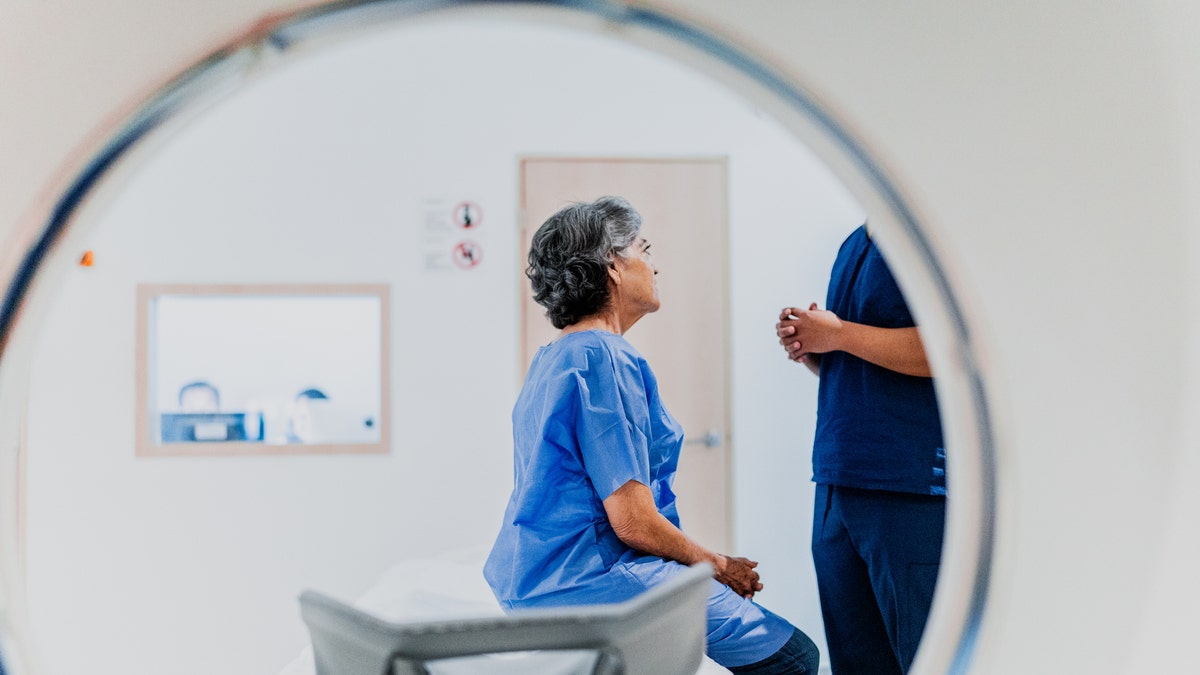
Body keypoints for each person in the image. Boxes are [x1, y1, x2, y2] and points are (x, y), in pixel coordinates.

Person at [485, 196, 819, 674]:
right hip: (595, 576)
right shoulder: (603, 357)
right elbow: (633, 522)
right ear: (612, 266)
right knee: (795, 659)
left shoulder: (554, 357)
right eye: (645, 249)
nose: (654, 265)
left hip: (535, 579)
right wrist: (717, 565)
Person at [775, 223, 945, 674]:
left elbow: (948, 351)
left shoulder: (930, 230)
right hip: (836, 482)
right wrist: (818, 352)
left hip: (906, 489)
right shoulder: (854, 242)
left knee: (927, 660)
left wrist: (839, 334)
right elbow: (868, 366)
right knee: (854, 663)